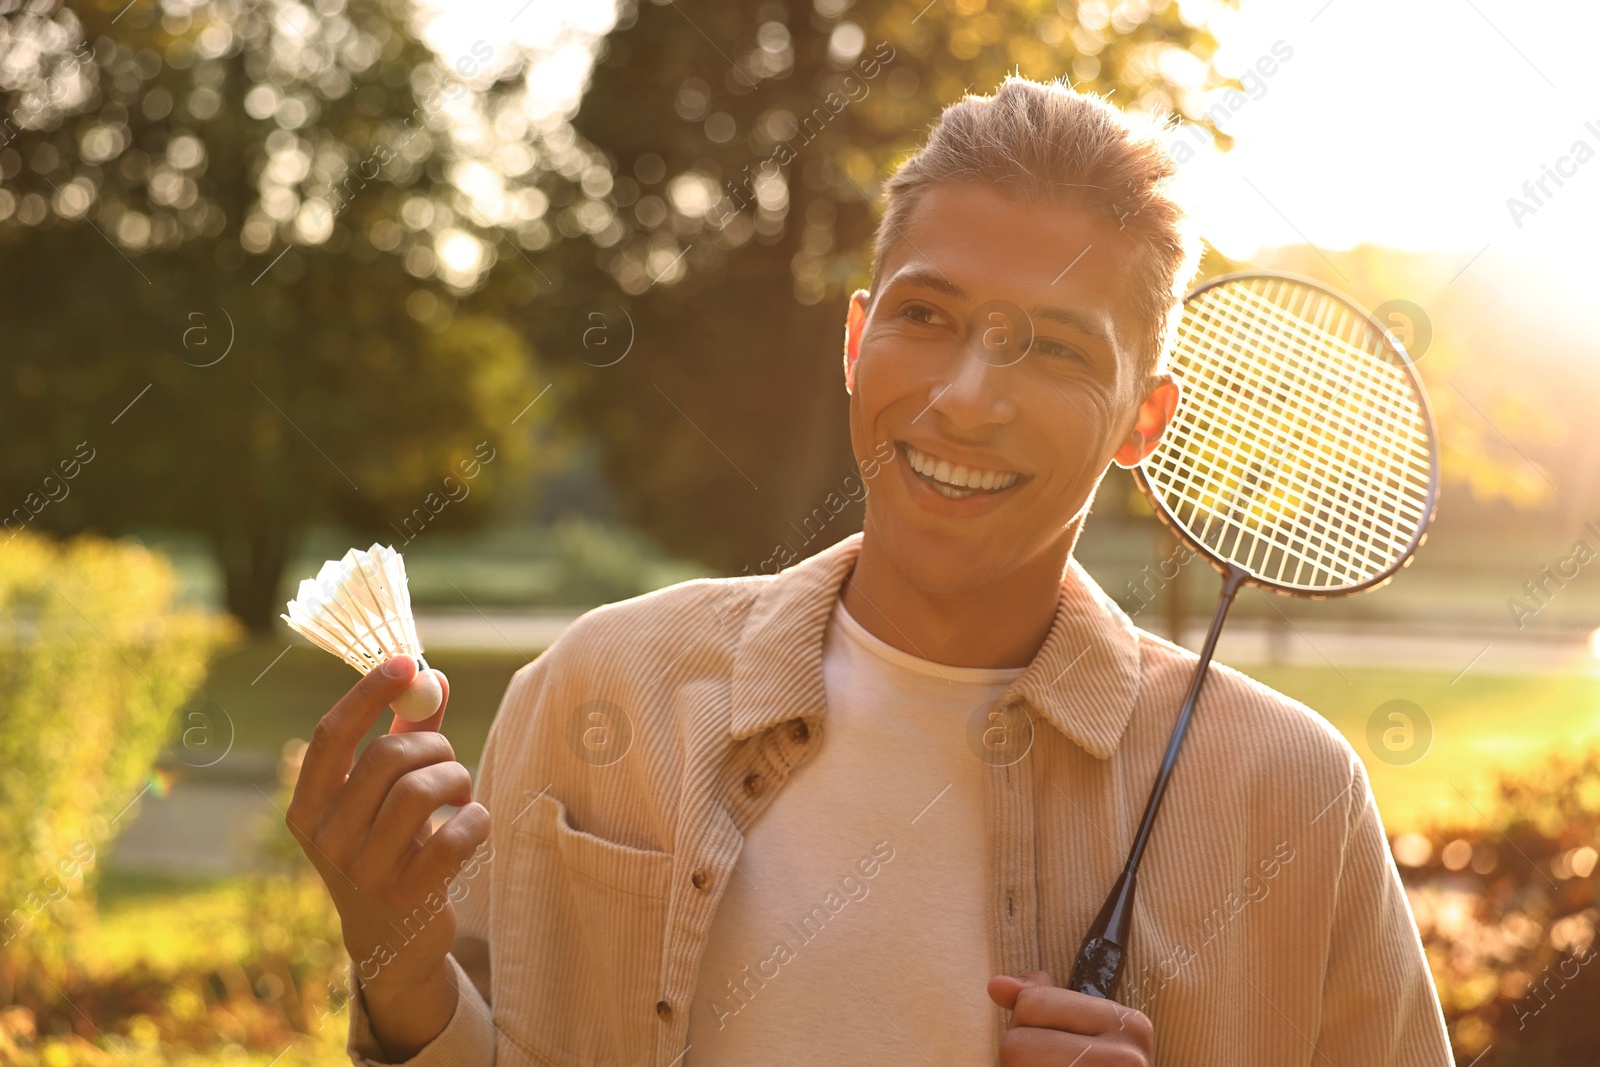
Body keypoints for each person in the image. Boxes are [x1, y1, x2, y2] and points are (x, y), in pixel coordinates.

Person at [288, 76, 1453, 1066]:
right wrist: (396, 957)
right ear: (856, 343)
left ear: (1143, 419)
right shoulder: (598, 687)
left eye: (1050, 347)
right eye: (927, 315)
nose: (965, 397)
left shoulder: (1294, 800)